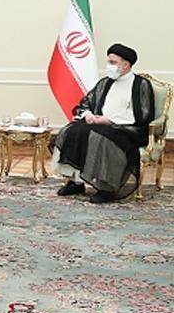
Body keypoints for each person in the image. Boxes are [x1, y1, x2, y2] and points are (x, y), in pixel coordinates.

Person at [53, 44, 155, 203]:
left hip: (126, 128)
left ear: (126, 65)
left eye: (113, 63)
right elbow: (86, 102)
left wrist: (110, 120)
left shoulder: (141, 84)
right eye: (108, 62)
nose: (109, 66)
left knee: (99, 138)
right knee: (71, 131)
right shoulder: (104, 83)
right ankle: (76, 182)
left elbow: (144, 113)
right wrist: (88, 114)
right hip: (99, 124)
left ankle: (106, 188)